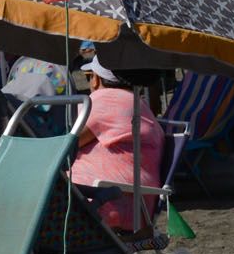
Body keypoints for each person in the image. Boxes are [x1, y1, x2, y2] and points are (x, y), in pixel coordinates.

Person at [66, 58, 163, 233]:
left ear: (96, 79)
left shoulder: (106, 101)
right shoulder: (134, 103)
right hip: (136, 205)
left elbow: (64, 143)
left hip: (108, 204)